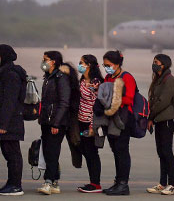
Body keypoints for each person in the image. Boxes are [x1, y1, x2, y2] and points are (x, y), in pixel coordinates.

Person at [102, 50, 136, 196]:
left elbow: (130, 99)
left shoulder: (127, 77)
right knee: (115, 150)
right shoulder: (108, 77)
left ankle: (123, 184)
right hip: (110, 118)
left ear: (116, 64)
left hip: (123, 118)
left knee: (122, 150)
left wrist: (115, 97)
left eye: (108, 65)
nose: (106, 67)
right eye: (104, 65)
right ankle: (118, 181)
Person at [37, 51, 72, 195]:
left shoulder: (60, 78)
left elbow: (64, 102)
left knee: (51, 151)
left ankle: (48, 182)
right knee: (48, 151)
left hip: (56, 122)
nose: (43, 62)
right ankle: (55, 181)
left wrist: (56, 123)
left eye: (45, 59)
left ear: (53, 62)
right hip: (46, 121)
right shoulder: (48, 77)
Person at [146, 54, 174, 196]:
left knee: (167, 151)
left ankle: (172, 184)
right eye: (153, 62)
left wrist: (150, 116)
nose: (154, 64)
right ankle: (162, 183)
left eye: (156, 62)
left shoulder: (169, 80)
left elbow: (163, 101)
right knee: (161, 151)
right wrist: (152, 119)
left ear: (164, 64)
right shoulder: (158, 79)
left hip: (167, 119)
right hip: (159, 119)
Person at [0, 45, 26, 196]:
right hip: (8, 121)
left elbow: (9, 101)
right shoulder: (6, 72)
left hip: (10, 122)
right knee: (9, 153)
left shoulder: (10, 74)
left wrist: (3, 124)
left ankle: (16, 185)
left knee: (12, 154)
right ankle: (12, 183)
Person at [76, 55, 104, 193]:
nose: (79, 65)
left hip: (90, 122)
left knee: (92, 152)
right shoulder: (82, 80)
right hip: (81, 121)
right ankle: (93, 181)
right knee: (85, 150)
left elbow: (97, 104)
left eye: (81, 63)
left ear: (89, 65)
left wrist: (93, 125)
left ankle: (95, 183)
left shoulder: (95, 82)